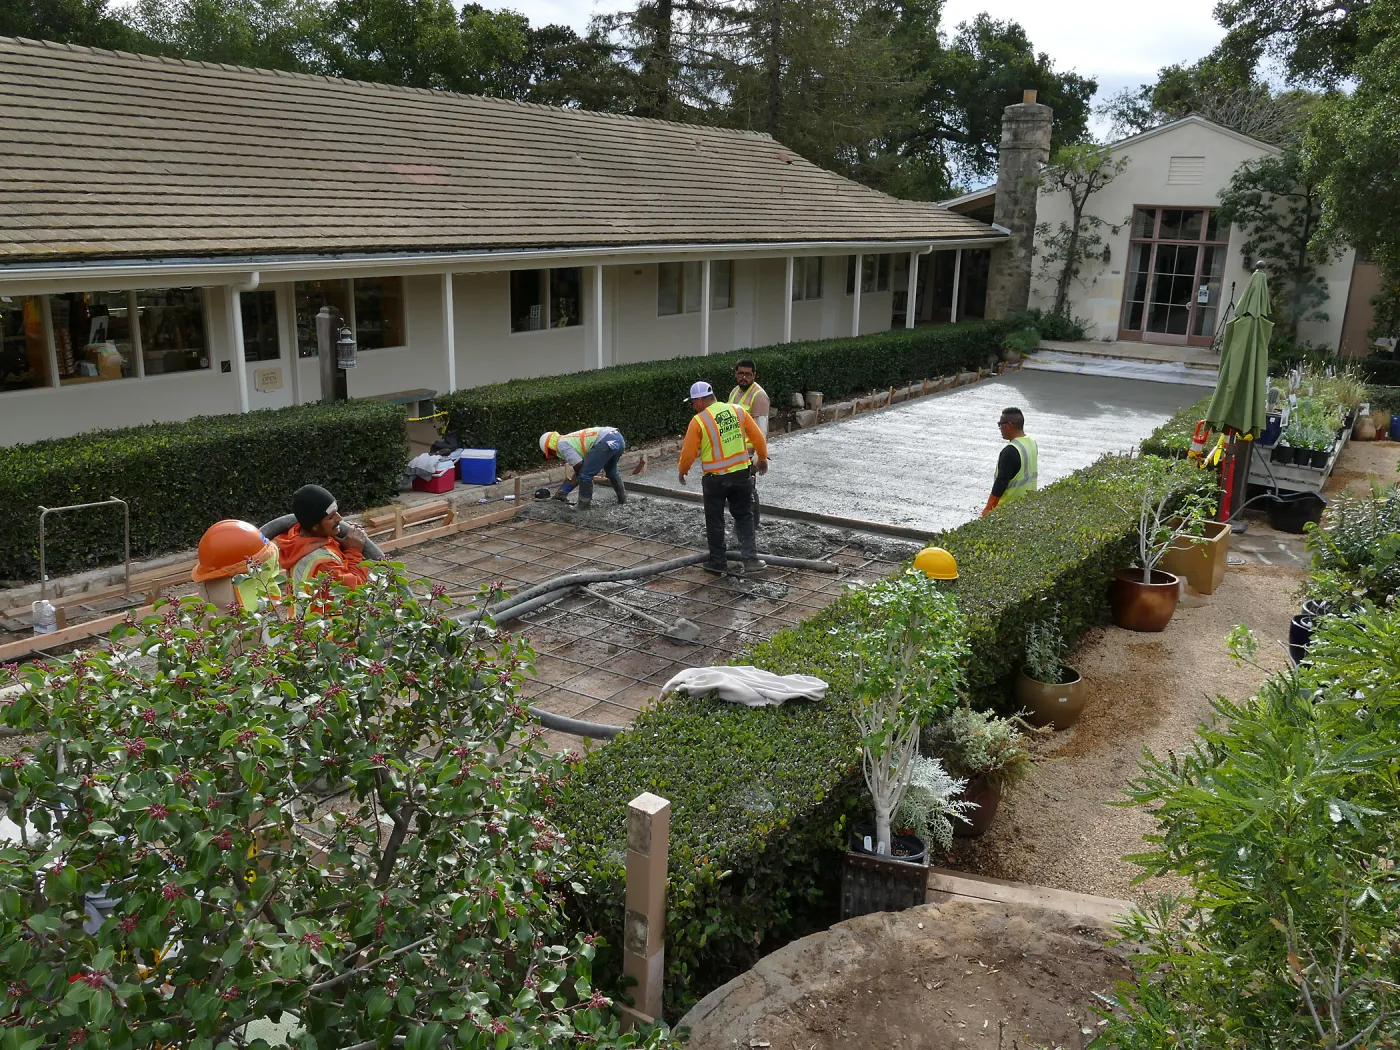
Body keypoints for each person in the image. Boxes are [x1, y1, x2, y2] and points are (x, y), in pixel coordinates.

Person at [678, 381, 769, 575]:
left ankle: (718, 562)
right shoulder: (737, 411)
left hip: (715, 480)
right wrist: (761, 459)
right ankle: (751, 560)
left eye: (693, 402)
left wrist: (682, 470)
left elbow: (688, 453)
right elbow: (758, 438)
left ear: (701, 400)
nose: (693, 406)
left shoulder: (699, 421)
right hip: (741, 475)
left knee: (715, 520)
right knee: (744, 515)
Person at [275, 484, 371, 593]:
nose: (339, 518)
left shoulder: (301, 540)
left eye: (336, 512)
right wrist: (354, 551)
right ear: (315, 526)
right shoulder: (320, 561)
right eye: (331, 517)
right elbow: (355, 590)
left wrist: (343, 546)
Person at [539, 427, 627, 508]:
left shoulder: (561, 445)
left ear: (550, 448)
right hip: (617, 437)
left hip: (605, 441)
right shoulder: (568, 439)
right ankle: (622, 500)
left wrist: (565, 489)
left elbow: (579, 467)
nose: (554, 456)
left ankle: (583, 508)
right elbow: (580, 468)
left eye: (550, 454)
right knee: (611, 471)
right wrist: (564, 491)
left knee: (585, 475)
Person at [728, 358, 770, 527]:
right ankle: (745, 524)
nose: (743, 377)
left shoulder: (759, 396)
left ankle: (752, 525)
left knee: (748, 491)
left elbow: (761, 431)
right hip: (734, 452)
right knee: (738, 491)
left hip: (748, 455)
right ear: (735, 374)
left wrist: (760, 457)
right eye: (740, 374)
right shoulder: (734, 392)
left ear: (754, 375)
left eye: (747, 374)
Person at [981, 407, 1039, 516]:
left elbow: (1001, 483)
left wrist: (988, 509)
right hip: (1028, 503)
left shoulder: (1010, 452)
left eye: (1000, 424)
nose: (999, 428)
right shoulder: (1032, 443)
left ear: (1009, 425)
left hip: (1007, 510)